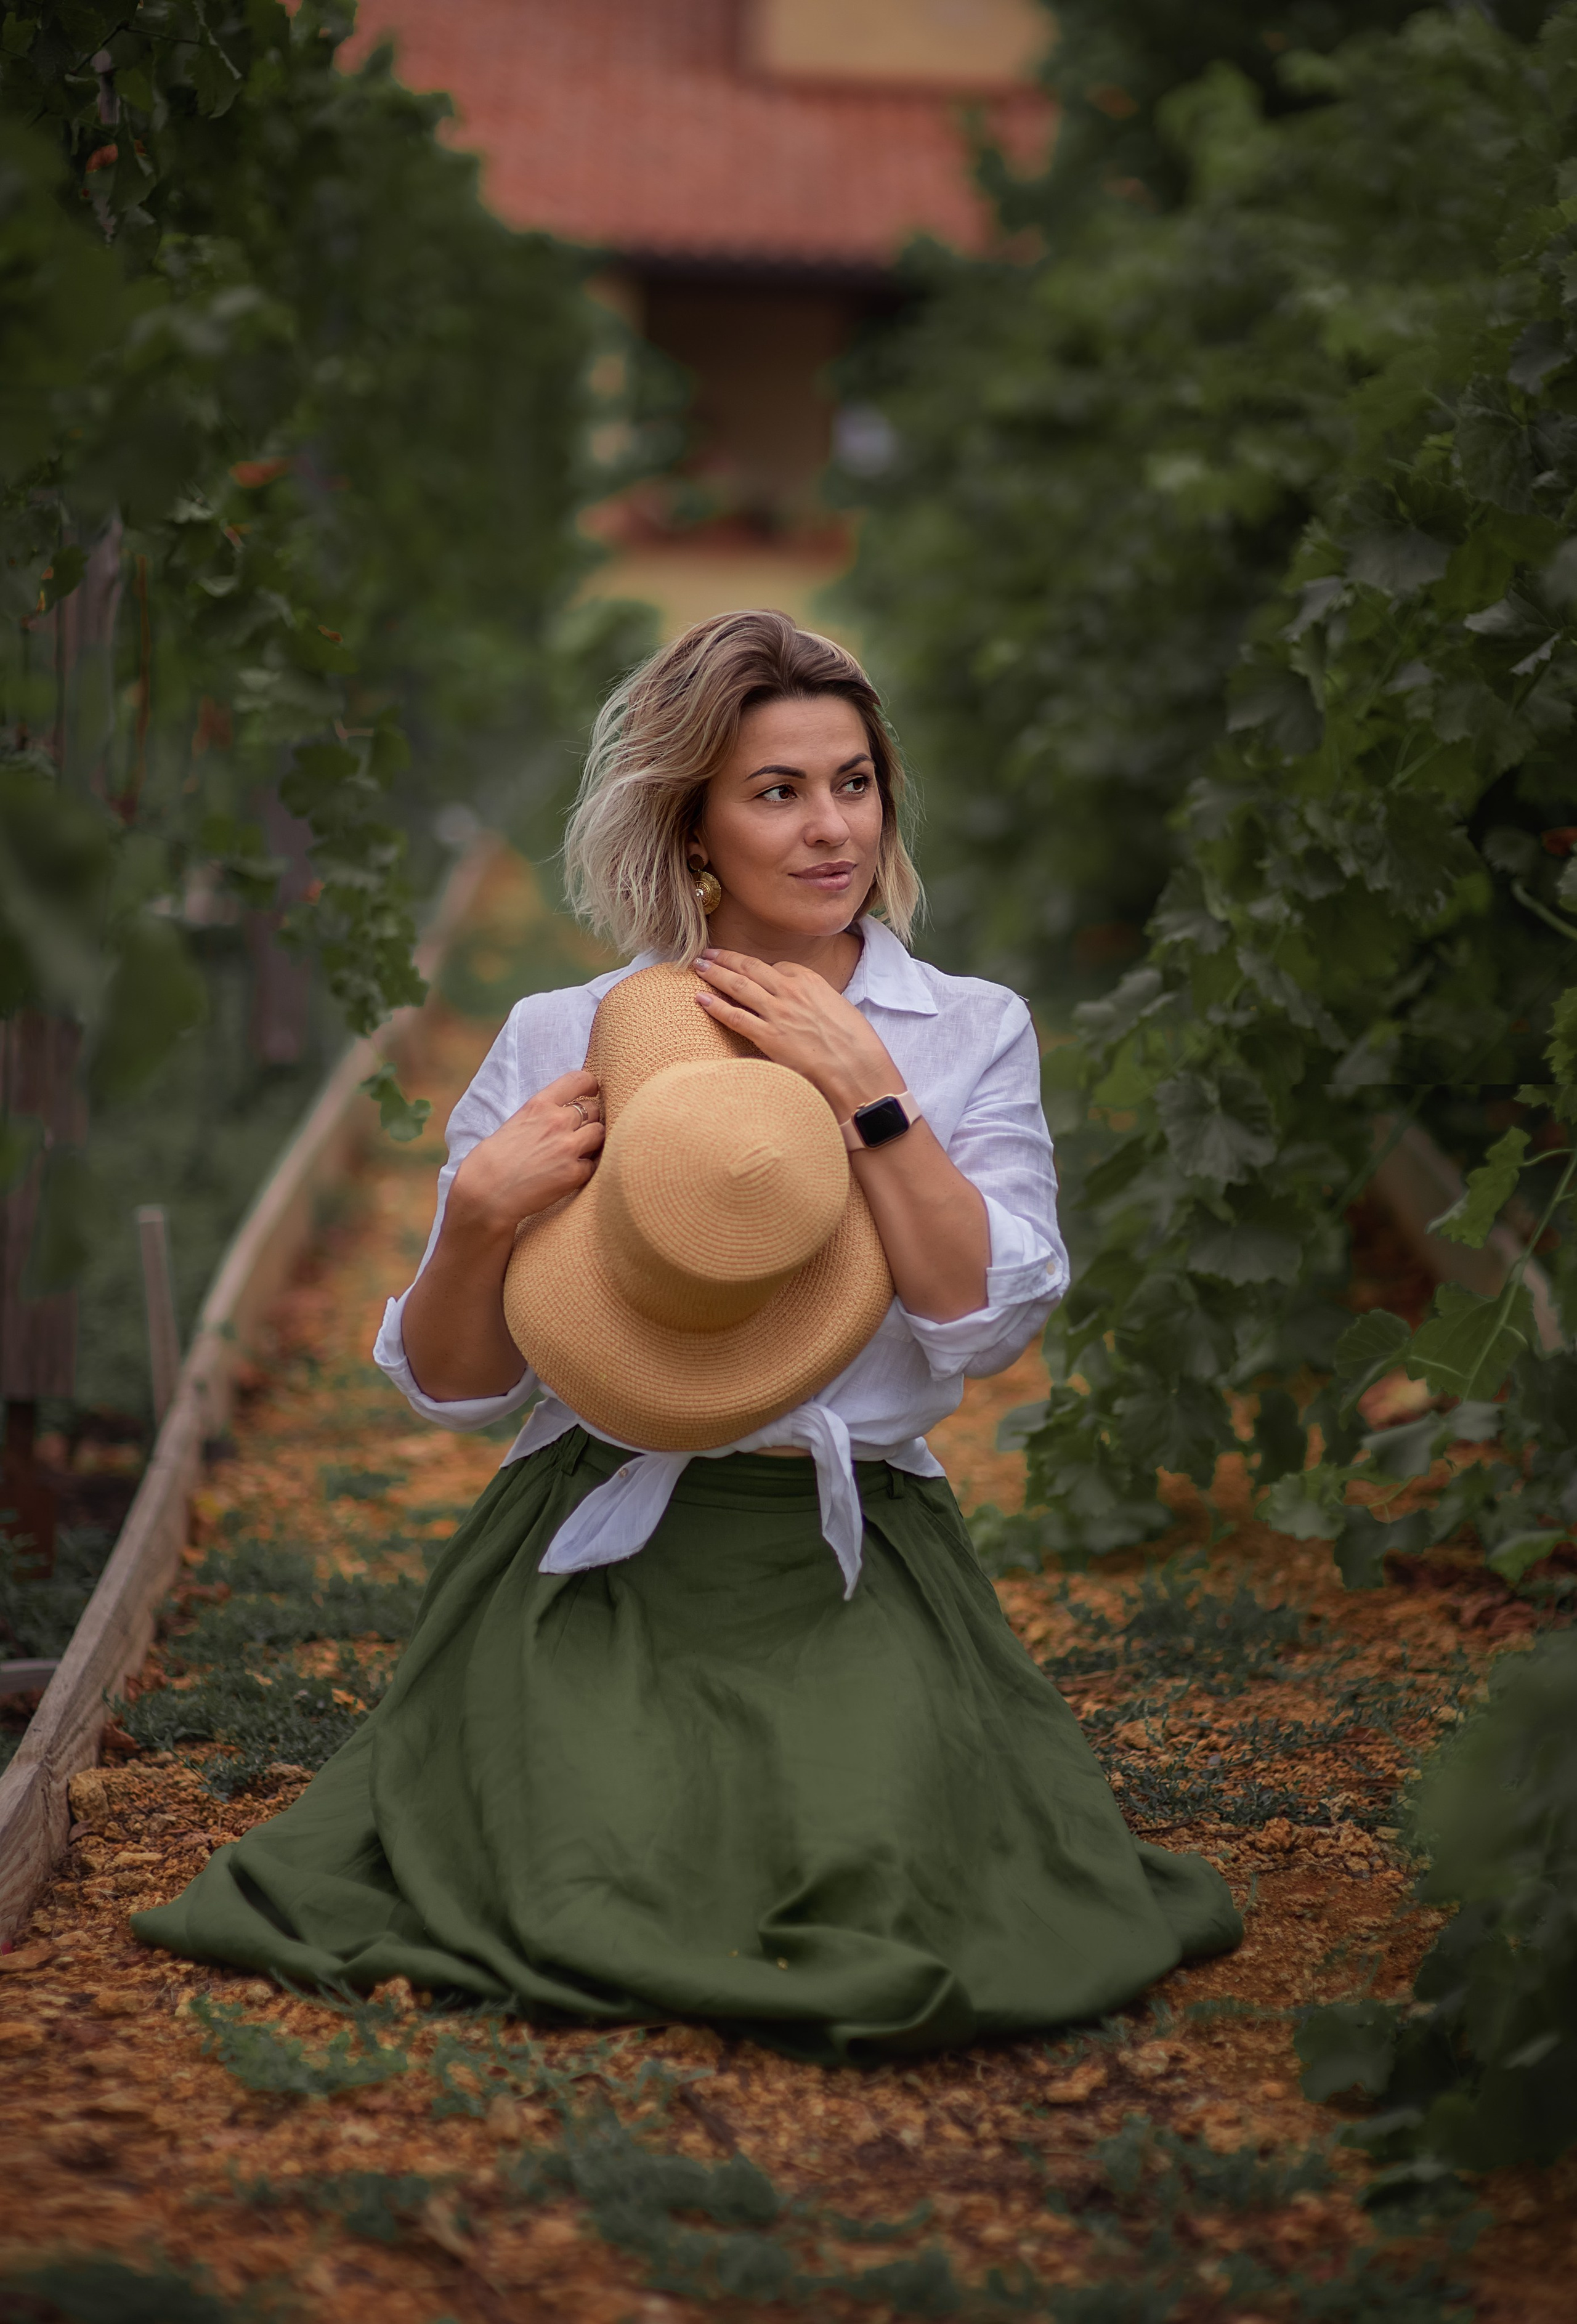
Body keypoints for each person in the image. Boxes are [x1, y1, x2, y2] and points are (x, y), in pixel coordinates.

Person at [133, 611, 1240, 2057]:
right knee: (583, 1863)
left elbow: (978, 1320)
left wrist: (870, 1096)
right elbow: (465, 1395)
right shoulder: (569, 1032)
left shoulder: (962, 1026)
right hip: (598, 1544)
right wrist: (475, 1219)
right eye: (775, 791)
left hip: (848, 1551)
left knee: (885, 1869)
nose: (828, 827)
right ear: (695, 826)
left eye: (851, 782)